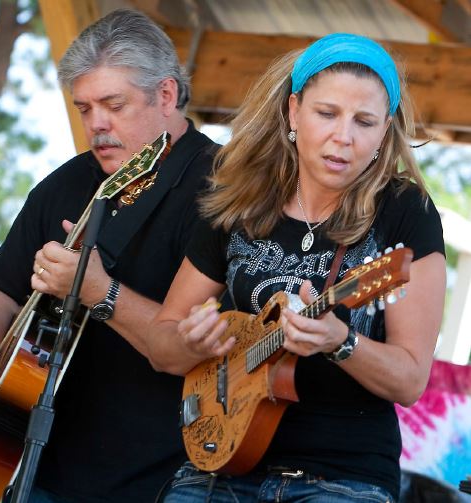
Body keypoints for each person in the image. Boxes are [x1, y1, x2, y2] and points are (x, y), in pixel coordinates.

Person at [148, 33, 446, 502]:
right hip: (217, 467)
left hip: (343, 477)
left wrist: (341, 341)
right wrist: (189, 341)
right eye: (327, 113)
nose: (343, 137)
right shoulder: (238, 206)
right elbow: (162, 348)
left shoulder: (406, 212)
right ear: (293, 111)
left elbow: (409, 380)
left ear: (384, 132)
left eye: (364, 121)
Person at [0, 9, 218, 503]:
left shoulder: (220, 190)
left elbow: (209, 346)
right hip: (36, 468)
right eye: (84, 108)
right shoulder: (68, 182)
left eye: (113, 104)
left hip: (166, 479)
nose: (97, 125)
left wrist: (99, 290)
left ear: (166, 94)